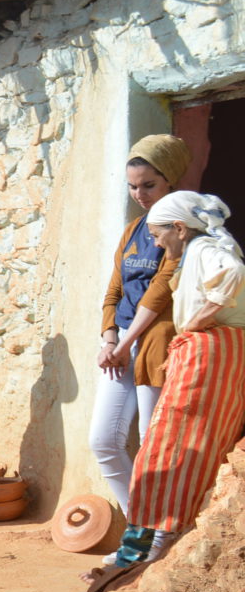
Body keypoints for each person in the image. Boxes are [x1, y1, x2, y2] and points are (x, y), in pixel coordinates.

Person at [107, 192, 245, 570]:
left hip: (207, 353)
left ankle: (149, 544)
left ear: (179, 229)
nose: (155, 242)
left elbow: (233, 272)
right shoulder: (200, 249)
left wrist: (200, 320)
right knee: (196, 448)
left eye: (157, 235)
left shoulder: (202, 249)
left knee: (167, 450)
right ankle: (154, 542)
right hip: (222, 353)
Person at [89, 135, 191, 534]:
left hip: (156, 349)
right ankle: (143, 528)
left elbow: (161, 289)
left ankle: (161, 537)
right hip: (120, 350)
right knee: (103, 442)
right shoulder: (133, 229)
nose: (139, 194)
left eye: (148, 185)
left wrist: (125, 343)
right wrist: (109, 339)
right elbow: (114, 290)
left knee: (153, 445)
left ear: (170, 181)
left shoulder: (182, 229)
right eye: (132, 186)